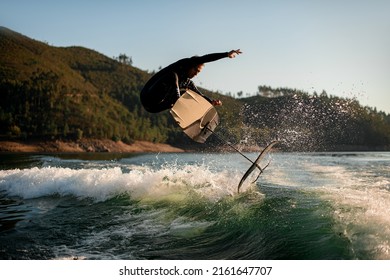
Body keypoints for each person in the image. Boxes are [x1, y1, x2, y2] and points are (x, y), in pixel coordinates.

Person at [140, 49, 242, 113]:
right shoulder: (184, 64)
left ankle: (183, 107)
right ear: (191, 66)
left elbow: (199, 95)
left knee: (186, 94)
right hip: (147, 96)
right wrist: (226, 54)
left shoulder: (188, 82)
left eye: (199, 72)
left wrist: (211, 101)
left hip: (154, 108)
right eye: (196, 70)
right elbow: (206, 58)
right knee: (173, 76)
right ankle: (177, 97)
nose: (196, 74)